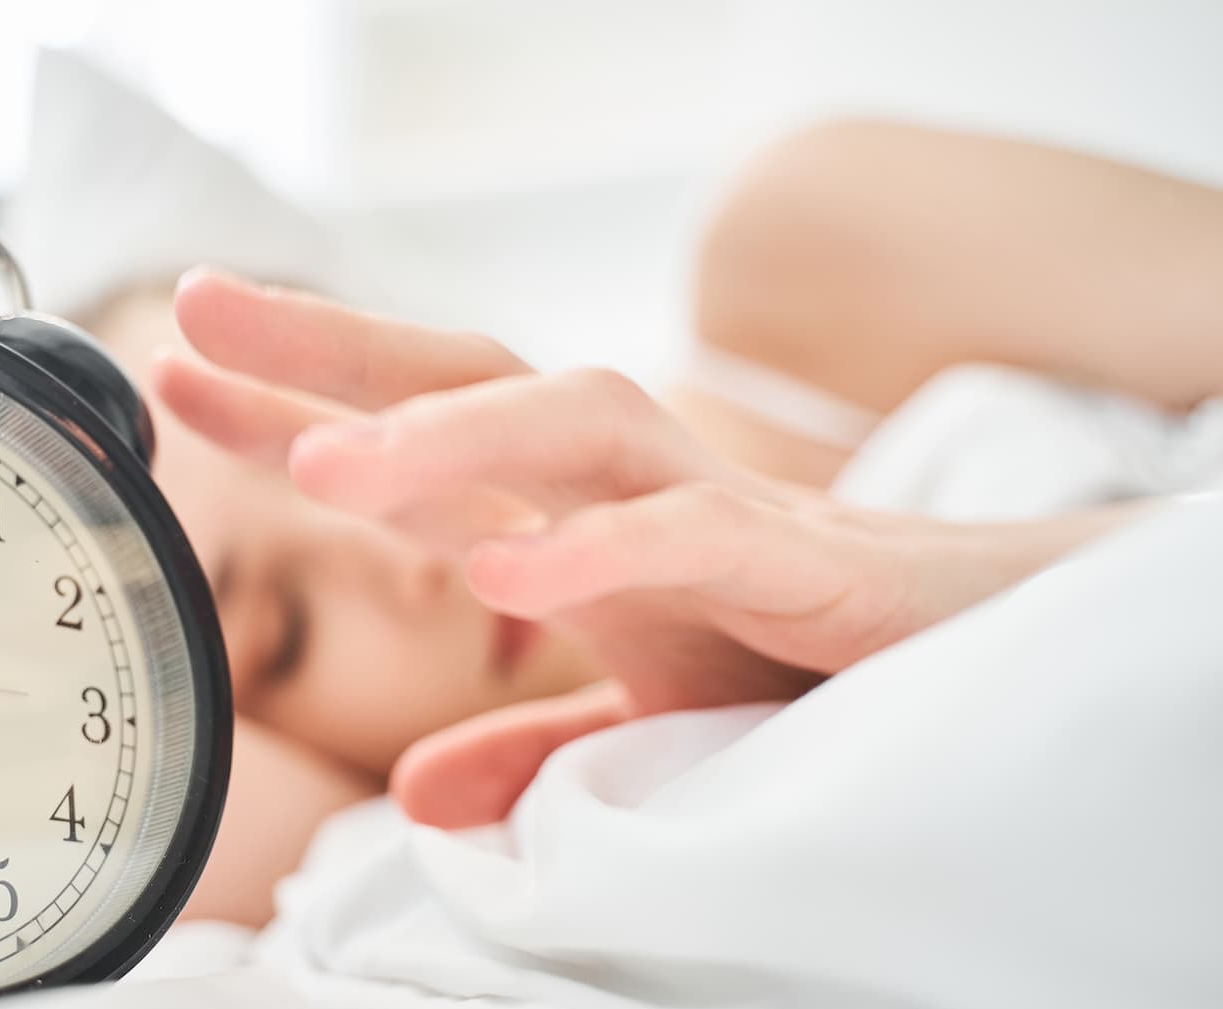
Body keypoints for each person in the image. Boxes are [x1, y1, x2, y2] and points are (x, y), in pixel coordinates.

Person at [80, 119, 1223, 925]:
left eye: (344, 417)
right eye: (287, 625)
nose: (397, 545)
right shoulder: (499, 849)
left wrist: (936, 582)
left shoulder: (800, 249)